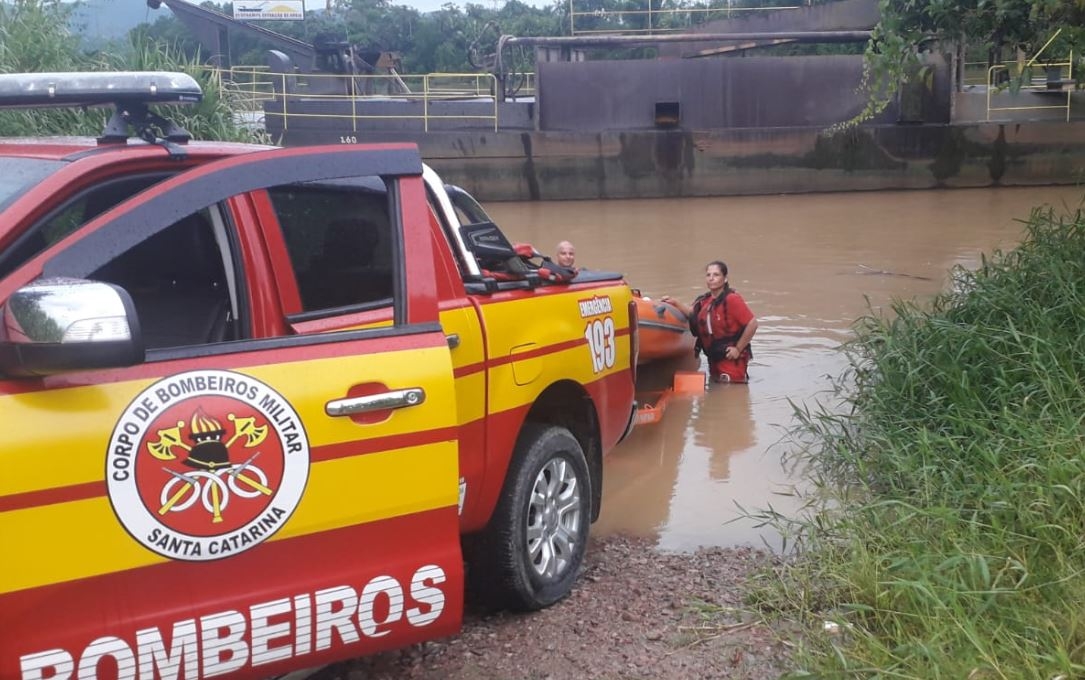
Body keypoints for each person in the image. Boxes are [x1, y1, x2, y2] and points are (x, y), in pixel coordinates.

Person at [662, 260, 758, 383]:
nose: (711, 278)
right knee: (716, 389)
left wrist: (738, 349)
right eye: (708, 275)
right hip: (713, 358)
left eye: (716, 275)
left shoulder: (732, 299)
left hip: (730, 359)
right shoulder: (704, 301)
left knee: (730, 394)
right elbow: (692, 314)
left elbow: (753, 323)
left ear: (725, 279)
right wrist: (675, 303)